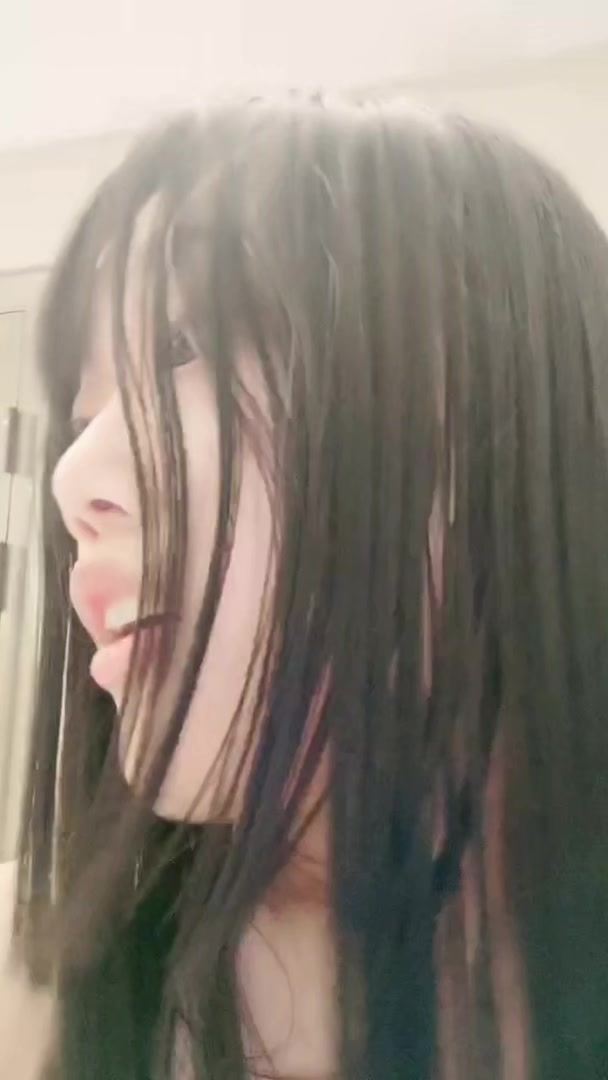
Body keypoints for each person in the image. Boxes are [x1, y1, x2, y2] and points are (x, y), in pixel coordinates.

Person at [8, 95, 608, 1080]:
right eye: (80, 417)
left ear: (498, 410)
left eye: (181, 347)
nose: (72, 480)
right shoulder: (42, 990)